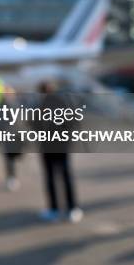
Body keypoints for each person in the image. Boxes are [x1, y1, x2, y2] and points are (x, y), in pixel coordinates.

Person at [37, 81, 83, 223]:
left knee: (51, 178)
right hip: (62, 146)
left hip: (48, 147)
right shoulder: (64, 102)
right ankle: (72, 208)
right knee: (66, 176)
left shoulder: (41, 105)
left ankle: (54, 210)